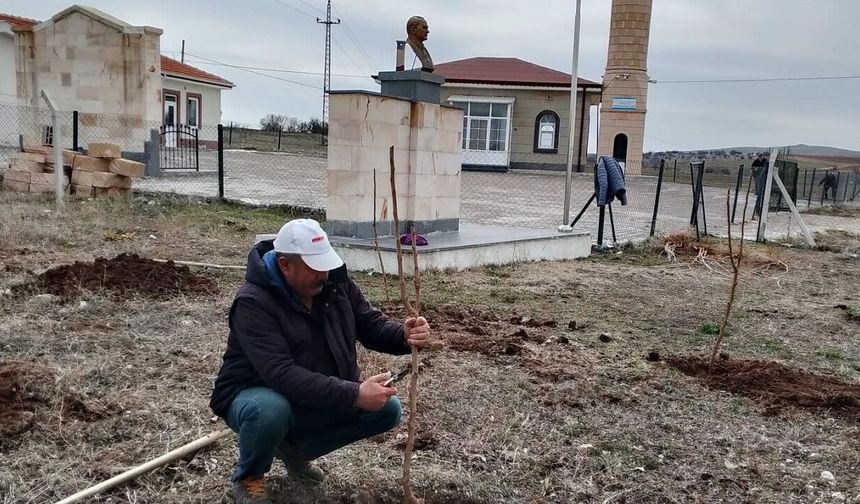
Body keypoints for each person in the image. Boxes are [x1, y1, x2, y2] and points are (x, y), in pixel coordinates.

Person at [209, 218, 430, 504]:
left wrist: (403, 335)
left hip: (311, 392)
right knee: (270, 411)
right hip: (254, 393)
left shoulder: (335, 284)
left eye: (325, 263)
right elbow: (280, 373)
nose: (324, 274)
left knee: (387, 409)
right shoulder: (254, 302)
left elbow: (369, 323)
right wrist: (353, 393)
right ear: (285, 265)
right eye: (314, 267)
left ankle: (294, 452)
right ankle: (249, 476)